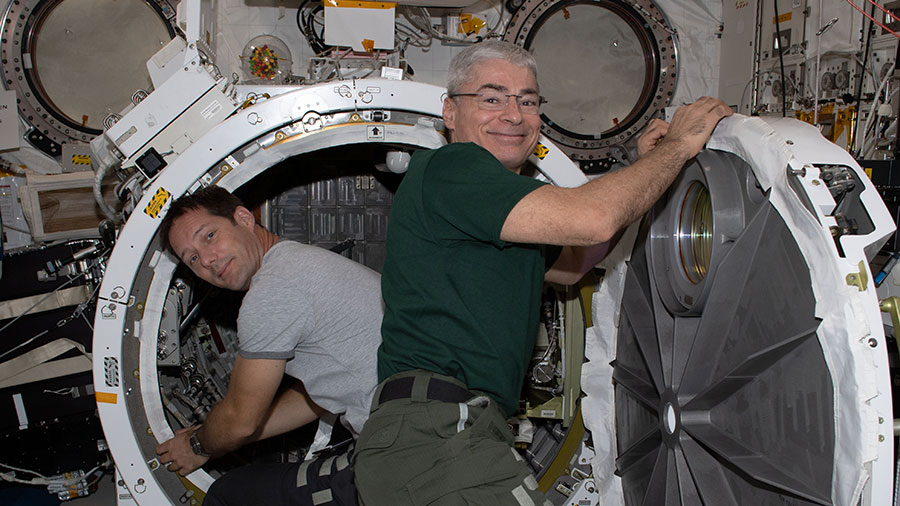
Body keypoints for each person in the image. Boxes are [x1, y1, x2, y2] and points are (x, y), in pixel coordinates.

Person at [352, 40, 732, 506]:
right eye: (491, 98)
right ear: (450, 113)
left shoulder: (496, 209)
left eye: (527, 101)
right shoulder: (455, 167)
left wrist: (641, 168)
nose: (514, 114)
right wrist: (676, 148)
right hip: (436, 435)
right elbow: (594, 218)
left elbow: (574, 265)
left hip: (446, 436)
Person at [154, 186, 381, 506]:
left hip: (399, 455)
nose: (206, 259)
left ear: (244, 218)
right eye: (192, 258)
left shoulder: (271, 292)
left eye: (208, 236)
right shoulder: (297, 262)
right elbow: (317, 398)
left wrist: (197, 446)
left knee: (228, 496)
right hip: (426, 427)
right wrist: (227, 439)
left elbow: (240, 420)